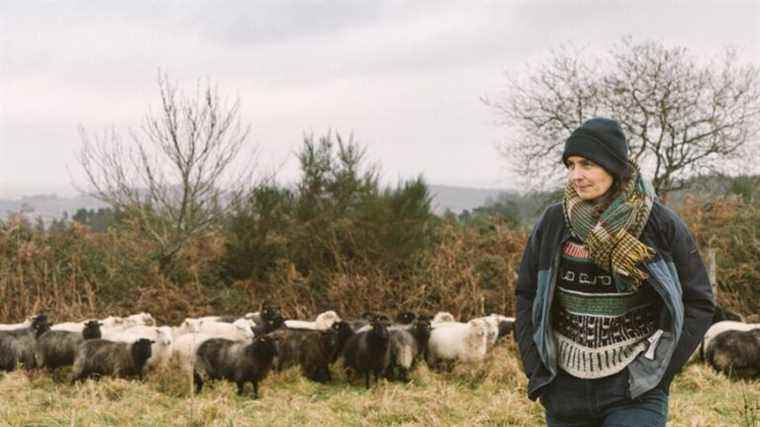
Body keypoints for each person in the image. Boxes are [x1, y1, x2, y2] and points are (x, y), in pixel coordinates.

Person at [514, 117, 715, 426]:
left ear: (614, 166)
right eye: (570, 165)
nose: (576, 176)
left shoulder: (659, 224)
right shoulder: (553, 223)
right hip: (565, 390)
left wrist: (659, 370)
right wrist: (537, 368)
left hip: (635, 389)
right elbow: (527, 295)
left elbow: (698, 301)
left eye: (587, 164)